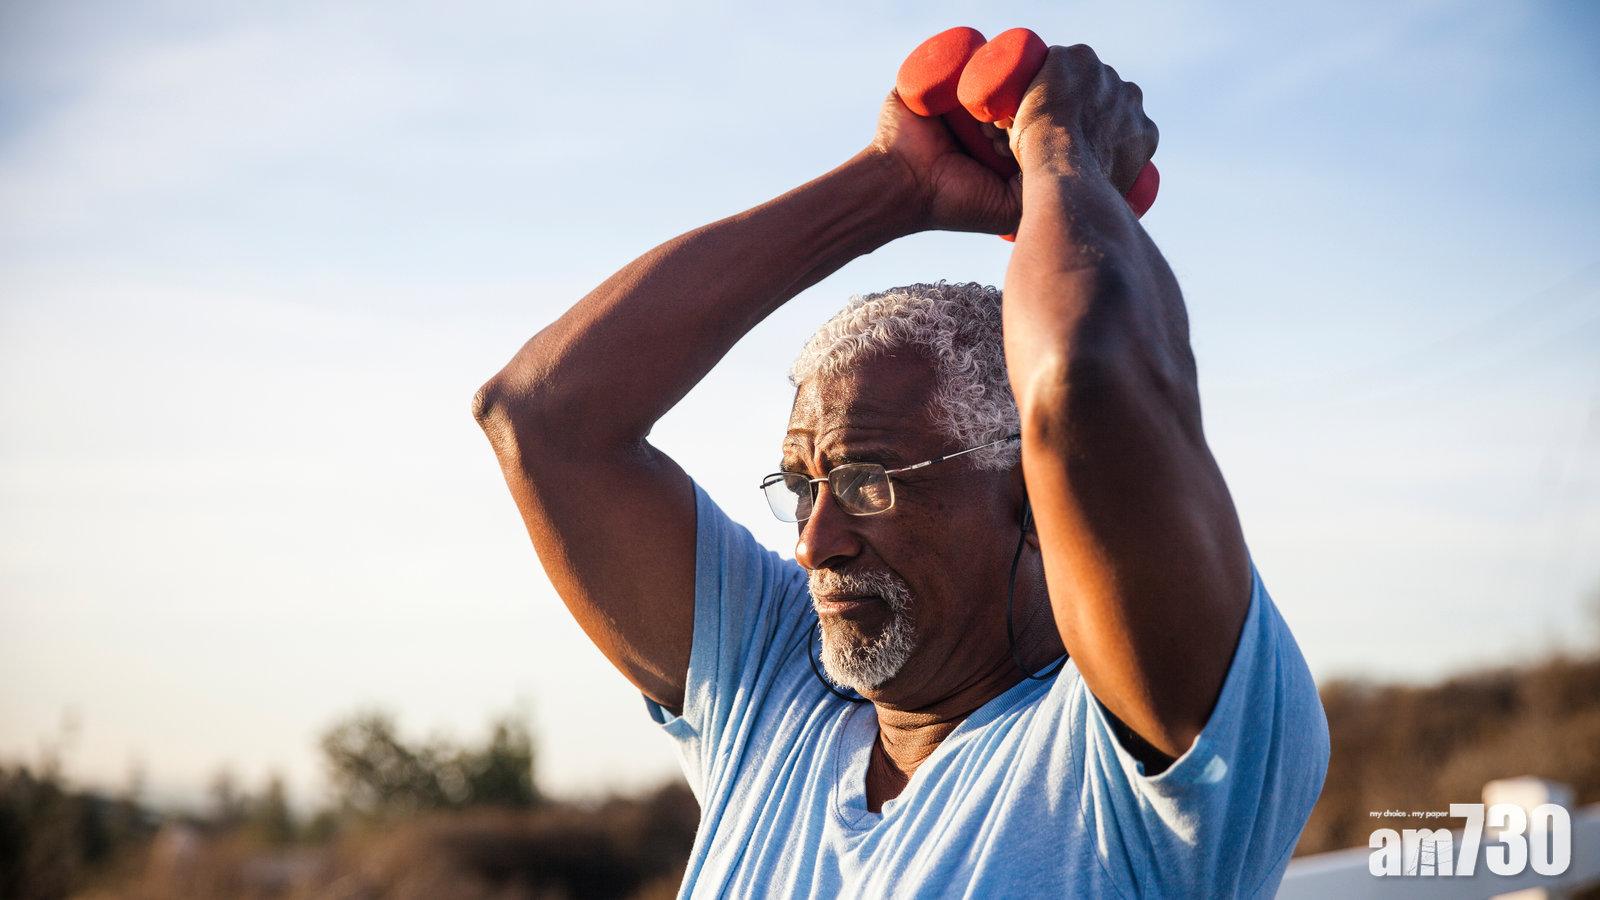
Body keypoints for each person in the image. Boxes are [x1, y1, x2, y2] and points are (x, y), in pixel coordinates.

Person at [473, 43, 1328, 898]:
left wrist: (1063, 152)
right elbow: (545, 417)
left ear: (1031, 498)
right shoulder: (774, 687)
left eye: (865, 483)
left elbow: (1086, 378)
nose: (816, 544)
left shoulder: (1133, 748)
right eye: (803, 487)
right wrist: (892, 185)